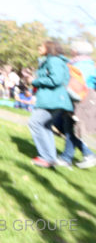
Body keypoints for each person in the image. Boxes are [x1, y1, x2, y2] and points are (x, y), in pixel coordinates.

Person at [27, 40, 74, 168]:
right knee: (45, 126)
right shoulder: (54, 60)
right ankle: (50, 158)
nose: (38, 47)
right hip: (54, 99)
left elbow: (56, 79)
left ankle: (46, 157)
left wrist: (35, 81)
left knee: (35, 123)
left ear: (49, 48)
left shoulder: (54, 60)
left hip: (52, 100)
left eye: (41, 46)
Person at [53, 40, 96, 169]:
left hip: (78, 101)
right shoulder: (89, 65)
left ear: (76, 51)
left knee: (69, 126)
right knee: (65, 125)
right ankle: (77, 155)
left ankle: (73, 157)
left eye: (72, 49)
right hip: (82, 100)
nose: (71, 51)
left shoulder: (78, 65)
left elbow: (72, 84)